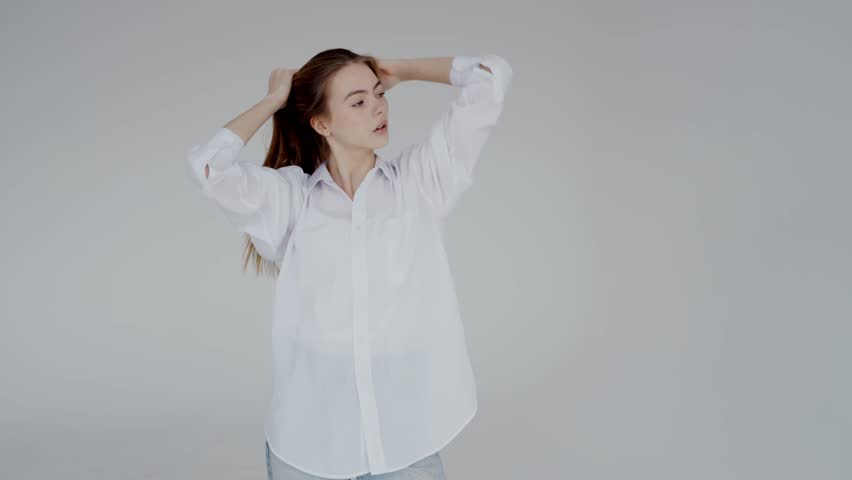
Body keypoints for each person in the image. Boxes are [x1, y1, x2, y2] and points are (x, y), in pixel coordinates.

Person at [185, 49, 513, 480]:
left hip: (405, 443)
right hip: (308, 448)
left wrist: (403, 71)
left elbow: (491, 76)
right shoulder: (291, 203)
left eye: (379, 95)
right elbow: (209, 166)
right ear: (321, 123)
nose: (378, 107)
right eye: (357, 102)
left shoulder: (420, 184)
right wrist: (273, 101)